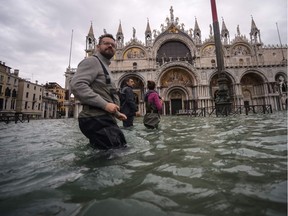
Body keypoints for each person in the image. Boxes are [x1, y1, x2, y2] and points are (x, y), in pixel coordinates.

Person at [70, 33, 127, 150]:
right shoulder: (92, 61)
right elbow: (77, 85)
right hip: (96, 119)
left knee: (110, 153)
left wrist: (116, 113)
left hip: (102, 118)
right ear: (97, 47)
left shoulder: (104, 66)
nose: (110, 46)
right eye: (106, 43)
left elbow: (106, 93)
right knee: (115, 155)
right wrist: (105, 105)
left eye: (113, 45)